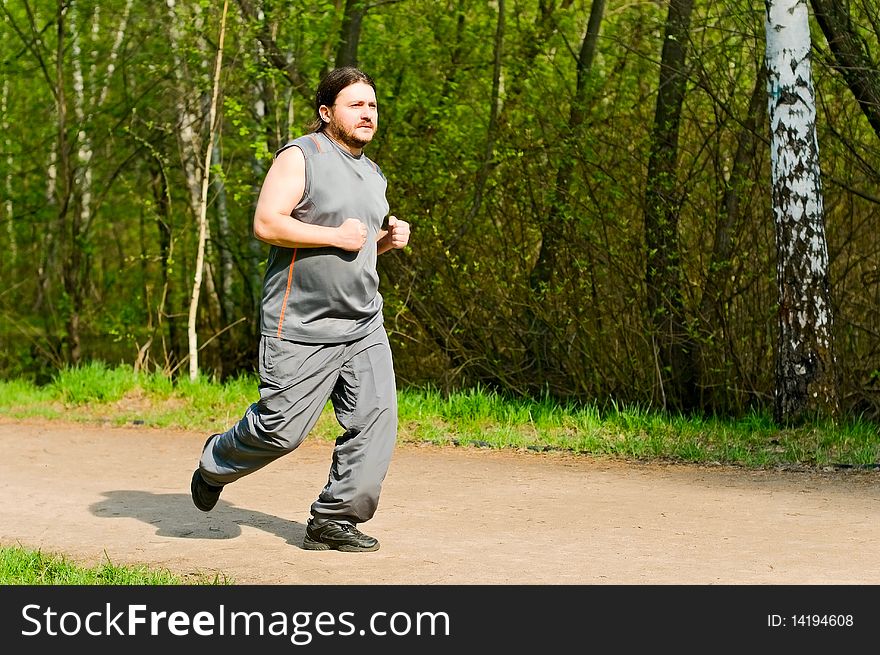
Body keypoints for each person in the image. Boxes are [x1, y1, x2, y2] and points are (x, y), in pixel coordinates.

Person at [190, 66, 410, 553]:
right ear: (326, 112)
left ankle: (334, 519)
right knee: (279, 432)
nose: (368, 114)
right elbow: (268, 223)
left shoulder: (374, 175)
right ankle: (216, 460)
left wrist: (385, 242)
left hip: (363, 321)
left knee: (376, 419)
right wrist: (336, 235)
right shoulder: (300, 156)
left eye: (372, 105)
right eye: (356, 105)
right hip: (302, 324)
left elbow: (355, 246)